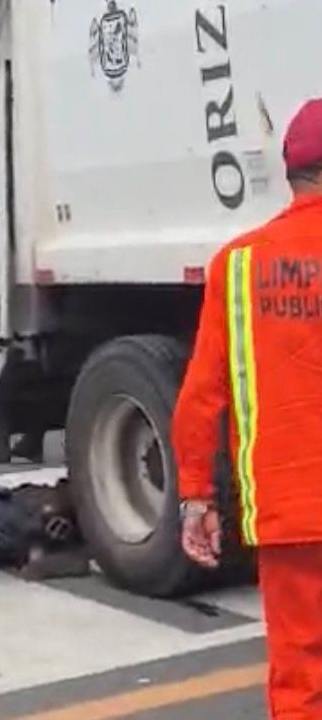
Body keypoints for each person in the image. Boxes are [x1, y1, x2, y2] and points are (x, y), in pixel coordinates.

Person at [172, 96, 322, 720]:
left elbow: (201, 395)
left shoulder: (236, 266)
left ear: (290, 173)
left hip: (288, 513)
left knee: (300, 680)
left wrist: (196, 497)